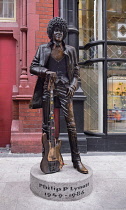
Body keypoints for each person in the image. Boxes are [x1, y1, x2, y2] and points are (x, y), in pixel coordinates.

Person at [30, 17, 88, 174]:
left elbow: (76, 72)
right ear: (51, 33)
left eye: (61, 31)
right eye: (56, 30)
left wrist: (73, 85)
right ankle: (47, 158)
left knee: (71, 125)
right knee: (46, 125)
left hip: (64, 88)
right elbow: (33, 67)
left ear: (64, 33)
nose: (58, 33)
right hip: (47, 88)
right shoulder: (43, 49)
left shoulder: (70, 50)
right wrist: (46, 72)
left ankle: (77, 160)